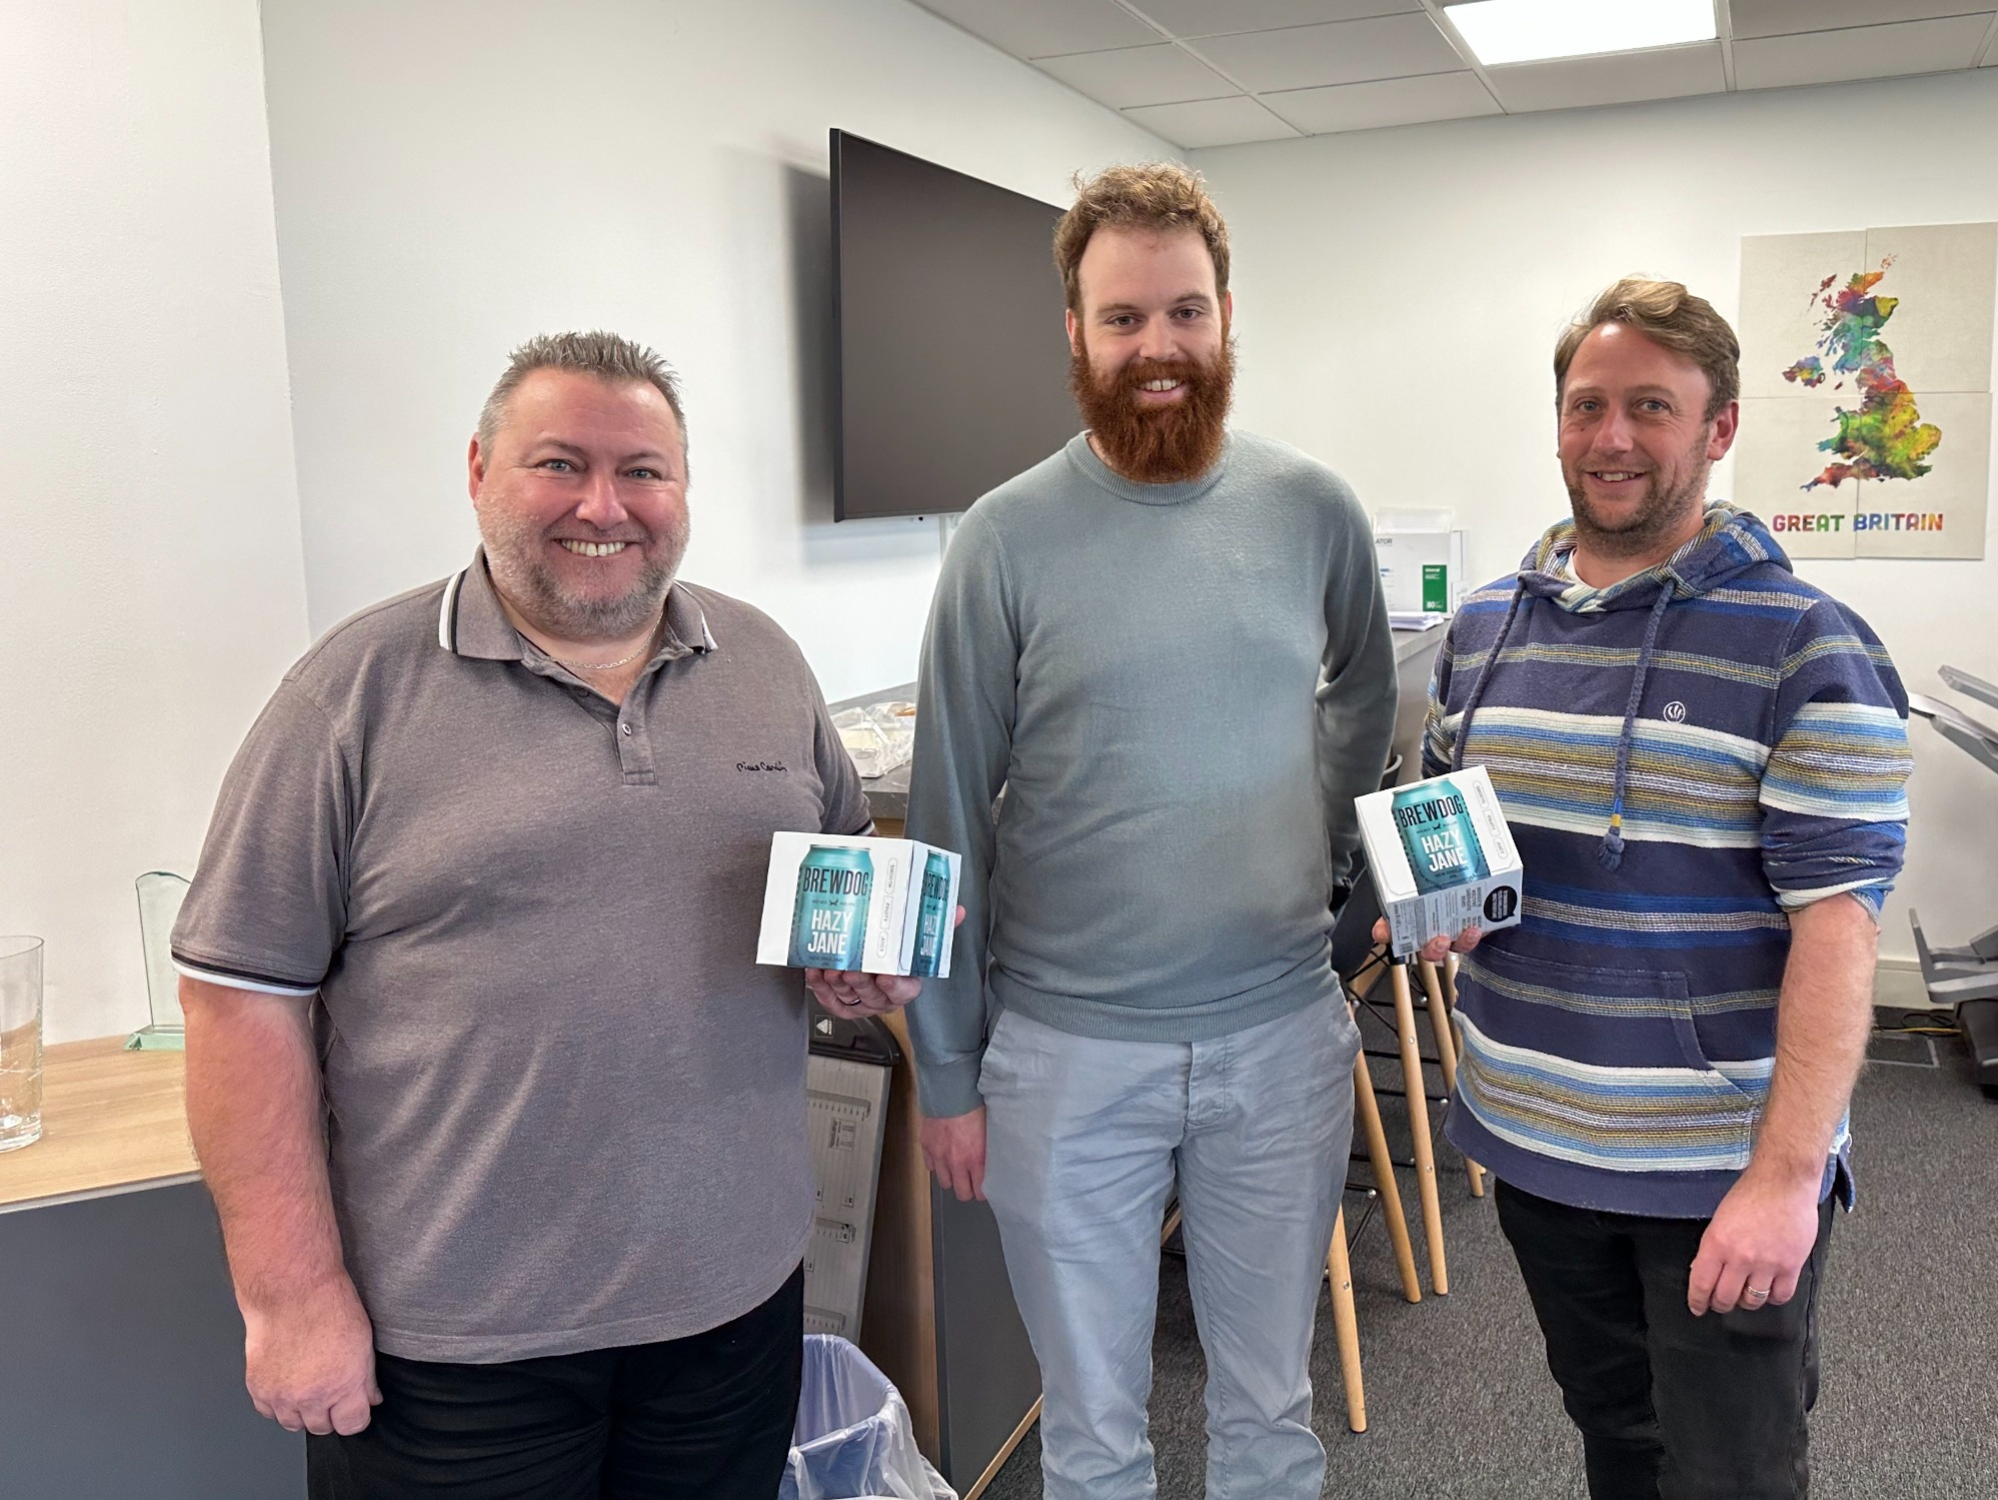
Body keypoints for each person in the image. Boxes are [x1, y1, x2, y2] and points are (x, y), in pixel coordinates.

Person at [173, 331, 931, 1498]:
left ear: (682, 492)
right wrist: (290, 1299)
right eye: (557, 464)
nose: (604, 506)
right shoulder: (350, 696)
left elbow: (829, 888)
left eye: (643, 471)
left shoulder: (765, 665)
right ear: (477, 470)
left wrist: (853, 971)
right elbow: (238, 1007)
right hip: (454, 1343)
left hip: (729, 1304)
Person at [902, 164, 1396, 1500]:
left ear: (1227, 316)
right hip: (1065, 1064)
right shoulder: (1003, 543)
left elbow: (1365, 687)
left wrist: (1336, 856)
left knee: (1268, 1418)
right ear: (1074, 332)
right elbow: (947, 821)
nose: (1157, 348)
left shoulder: (1312, 511)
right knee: (1095, 1436)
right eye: (1124, 320)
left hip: (1280, 1039)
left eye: (1184, 313)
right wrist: (946, 1070)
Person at [1407, 279, 1912, 1499]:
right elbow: (1444, 834)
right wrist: (1426, 906)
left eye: (1650, 406)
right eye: (1587, 406)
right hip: (1532, 1138)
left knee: (1729, 1469)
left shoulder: (1804, 642)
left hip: (1713, 1167)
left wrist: (1786, 1180)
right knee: (1614, 1443)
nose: (1612, 438)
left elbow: (1838, 936)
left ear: (1718, 428)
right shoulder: (1481, 630)